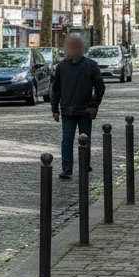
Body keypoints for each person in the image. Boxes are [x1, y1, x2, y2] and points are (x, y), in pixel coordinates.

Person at [51, 33, 105, 180]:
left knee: (83, 140)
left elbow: (100, 87)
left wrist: (94, 104)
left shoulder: (91, 65)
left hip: (84, 110)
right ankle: (67, 168)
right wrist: (54, 108)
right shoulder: (61, 67)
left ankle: (84, 164)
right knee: (67, 140)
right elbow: (56, 89)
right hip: (68, 110)